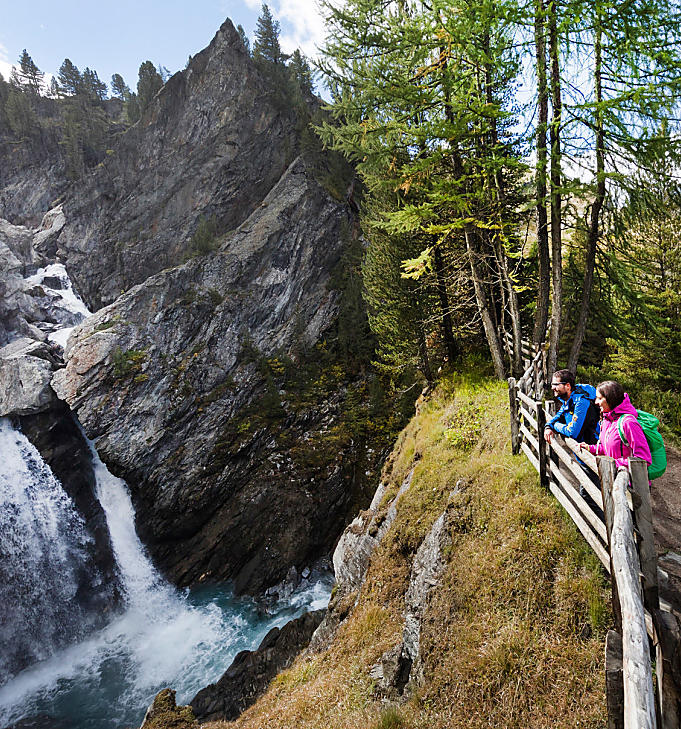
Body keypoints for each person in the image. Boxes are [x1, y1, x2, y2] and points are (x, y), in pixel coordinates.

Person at [580, 380, 651, 470]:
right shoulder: (607, 420)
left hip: (629, 482)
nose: (596, 402)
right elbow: (607, 448)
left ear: (610, 399)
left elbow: (643, 459)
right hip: (611, 478)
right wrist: (590, 448)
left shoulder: (628, 423)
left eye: (600, 398)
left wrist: (613, 464)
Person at [543, 369, 600, 446]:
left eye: (556, 384)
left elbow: (572, 432)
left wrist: (555, 426)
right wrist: (548, 427)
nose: (553, 387)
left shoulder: (581, 402)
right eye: (552, 384)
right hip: (581, 448)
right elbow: (558, 416)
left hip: (592, 450)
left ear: (568, 386)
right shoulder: (569, 400)